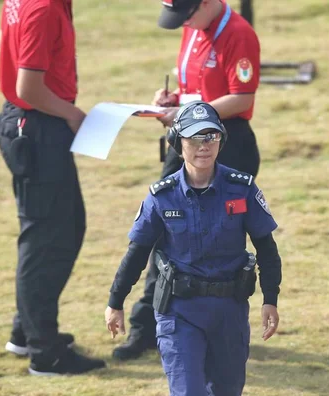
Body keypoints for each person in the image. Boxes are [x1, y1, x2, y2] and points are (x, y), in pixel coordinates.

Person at [112, 0, 263, 360]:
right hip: (187, 141)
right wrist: (173, 100)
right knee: (162, 232)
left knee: (222, 237)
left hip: (226, 143)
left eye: (188, 14)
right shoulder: (193, 27)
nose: (186, 24)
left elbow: (242, 97)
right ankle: (147, 324)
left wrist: (183, 114)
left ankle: (220, 326)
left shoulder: (239, 34)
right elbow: (197, 89)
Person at [105, 102, 282, 396]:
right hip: (179, 311)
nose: (204, 146)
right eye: (195, 138)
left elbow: (266, 247)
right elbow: (137, 252)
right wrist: (115, 301)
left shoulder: (243, 189)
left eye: (211, 137)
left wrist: (271, 299)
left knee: (227, 392)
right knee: (189, 393)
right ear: (177, 143)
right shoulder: (161, 197)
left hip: (230, 310)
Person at [0, 0, 105, 375]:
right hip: (38, 127)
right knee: (48, 238)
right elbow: (28, 84)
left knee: (62, 229)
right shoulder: (43, 8)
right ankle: (45, 351)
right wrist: (72, 114)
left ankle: (28, 330)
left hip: (34, 122)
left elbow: (2, 41)